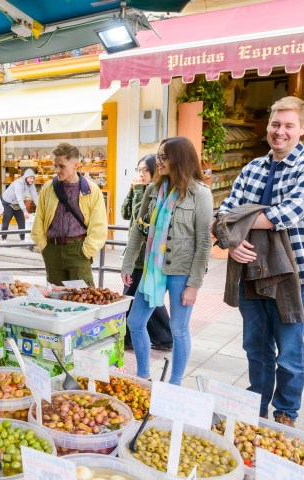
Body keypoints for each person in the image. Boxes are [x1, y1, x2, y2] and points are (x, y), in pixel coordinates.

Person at [216, 96, 304, 427]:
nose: (280, 132)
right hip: (250, 273)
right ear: (268, 126)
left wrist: (237, 223)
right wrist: (232, 242)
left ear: (302, 128)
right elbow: (223, 213)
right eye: (275, 124)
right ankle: (255, 408)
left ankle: (286, 413)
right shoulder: (253, 168)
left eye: (288, 126)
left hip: (292, 277)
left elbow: (288, 214)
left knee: (290, 354)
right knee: (255, 349)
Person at [120, 137, 212, 385]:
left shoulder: (200, 194)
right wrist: (128, 264)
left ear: (179, 159)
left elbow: (204, 242)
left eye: (163, 157)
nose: (158, 162)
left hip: (182, 272)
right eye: (158, 157)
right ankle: (143, 375)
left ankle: (175, 384)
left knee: (179, 329)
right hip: (152, 269)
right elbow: (138, 230)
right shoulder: (152, 190)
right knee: (135, 322)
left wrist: (194, 284)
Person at [31, 143, 107, 286]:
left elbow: (99, 226)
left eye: (62, 166)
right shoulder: (48, 188)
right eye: (56, 166)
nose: (57, 170)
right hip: (52, 250)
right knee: (56, 299)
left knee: (83, 299)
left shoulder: (91, 189)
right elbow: (39, 220)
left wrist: (86, 251)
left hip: (78, 250)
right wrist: (44, 248)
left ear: (75, 165)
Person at [121, 154, 173, 352]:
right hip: (136, 255)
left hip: (146, 256)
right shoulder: (141, 189)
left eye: (145, 170)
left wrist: (138, 190)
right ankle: (162, 338)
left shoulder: (155, 192)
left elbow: (138, 219)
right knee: (143, 296)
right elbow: (125, 213)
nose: (141, 174)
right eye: (138, 170)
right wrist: (131, 191)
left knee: (133, 297)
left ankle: (132, 338)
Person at [1, 168, 38, 241]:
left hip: (17, 203)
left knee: (21, 222)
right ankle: (3, 238)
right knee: (6, 222)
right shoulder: (19, 183)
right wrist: (24, 211)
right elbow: (19, 197)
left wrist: (39, 207)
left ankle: (22, 239)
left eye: (33, 178)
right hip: (8, 202)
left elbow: (35, 196)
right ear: (26, 177)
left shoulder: (31, 184)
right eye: (30, 178)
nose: (32, 180)